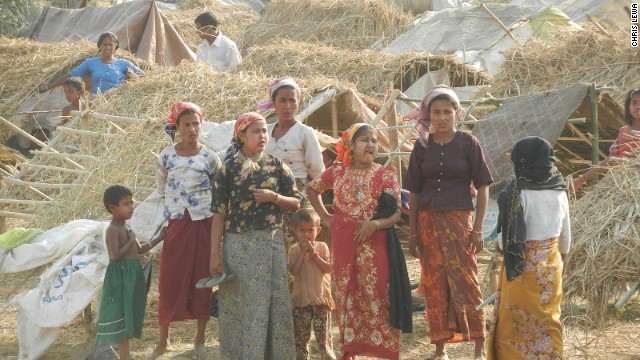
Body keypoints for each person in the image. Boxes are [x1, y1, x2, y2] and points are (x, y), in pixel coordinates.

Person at [405, 85, 493, 360]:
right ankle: (440, 348)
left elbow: (483, 187)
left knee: (467, 279)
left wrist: (478, 228)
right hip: (428, 222)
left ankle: (479, 346)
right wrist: (413, 233)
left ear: (457, 113)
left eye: (447, 111)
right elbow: (415, 193)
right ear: (428, 116)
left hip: (460, 221)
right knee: (434, 282)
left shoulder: (469, 143)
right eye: (436, 112)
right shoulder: (421, 147)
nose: (442, 117)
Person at [210, 112, 301, 359]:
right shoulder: (227, 171)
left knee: (273, 301)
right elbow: (218, 213)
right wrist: (214, 253)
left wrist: (275, 198)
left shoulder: (277, 166)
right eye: (255, 131)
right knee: (240, 302)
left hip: (269, 245)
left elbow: (296, 203)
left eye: (264, 131)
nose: (262, 136)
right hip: (237, 247)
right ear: (241, 136)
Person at [307, 123, 402, 360]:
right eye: (364, 140)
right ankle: (349, 350)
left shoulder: (385, 174)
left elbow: (397, 213)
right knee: (345, 294)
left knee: (377, 294)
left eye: (374, 140)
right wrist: (326, 217)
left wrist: (375, 225)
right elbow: (312, 189)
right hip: (343, 243)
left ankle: (384, 351)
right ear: (350, 145)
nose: (370, 144)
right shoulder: (337, 171)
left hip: (374, 243)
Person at [150, 102, 222, 360]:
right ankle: (163, 341)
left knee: (202, 280)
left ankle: (199, 341)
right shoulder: (166, 156)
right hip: (177, 223)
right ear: (177, 127)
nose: (192, 129)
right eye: (186, 124)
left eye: (196, 124)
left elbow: (218, 192)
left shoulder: (210, 157)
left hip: (204, 223)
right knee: (169, 280)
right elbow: (162, 189)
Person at [488, 136, 571, 359]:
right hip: (552, 264)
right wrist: (557, 259)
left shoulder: (517, 190)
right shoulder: (559, 189)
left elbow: (504, 240)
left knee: (515, 323)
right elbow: (566, 238)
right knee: (549, 319)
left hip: (521, 266)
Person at [97, 185, 165, 360]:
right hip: (120, 275)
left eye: (131, 203)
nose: (131, 207)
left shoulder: (126, 228)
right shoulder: (113, 229)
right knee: (121, 312)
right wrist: (131, 239)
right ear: (112, 208)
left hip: (132, 273)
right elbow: (115, 255)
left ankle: (125, 356)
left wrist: (160, 237)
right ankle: (124, 356)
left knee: (129, 311)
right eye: (126, 204)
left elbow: (141, 250)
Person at [287, 208, 335, 360]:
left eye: (310, 230)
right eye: (302, 231)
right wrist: (303, 253)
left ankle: (327, 357)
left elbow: (328, 268)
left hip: (321, 299)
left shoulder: (322, 247)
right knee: (301, 339)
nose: (307, 234)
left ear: (318, 230)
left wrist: (313, 255)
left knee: (324, 338)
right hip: (302, 301)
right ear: (295, 231)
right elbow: (294, 271)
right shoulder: (293, 250)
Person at [573, 88, 640, 190]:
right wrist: (581, 179)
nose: (638, 107)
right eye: (634, 103)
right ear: (628, 106)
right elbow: (611, 159)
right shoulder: (624, 132)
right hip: (623, 185)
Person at [38, 32, 143, 97]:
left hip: (117, 101)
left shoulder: (123, 63)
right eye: (104, 44)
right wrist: (48, 86)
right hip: (97, 102)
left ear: (116, 47)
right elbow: (71, 75)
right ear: (99, 46)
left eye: (111, 45)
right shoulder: (90, 63)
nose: (107, 48)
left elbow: (143, 76)